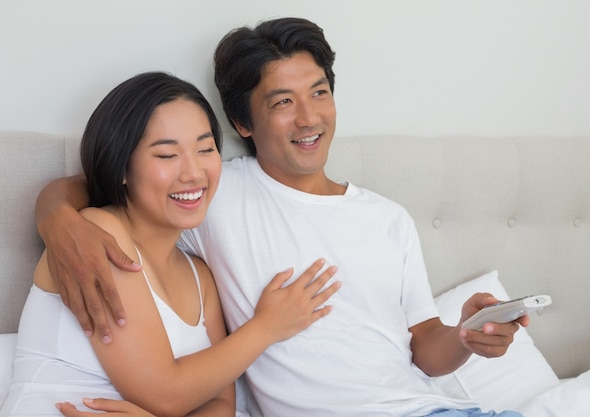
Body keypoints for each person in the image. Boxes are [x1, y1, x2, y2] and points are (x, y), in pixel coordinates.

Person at [34, 18, 527, 417]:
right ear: (243, 123)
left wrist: (464, 335)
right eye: (283, 102)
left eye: (319, 93)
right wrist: (59, 218)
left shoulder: (388, 219)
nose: (309, 118)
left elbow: (424, 349)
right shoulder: (213, 193)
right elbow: (107, 179)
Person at [0, 71, 339, 417]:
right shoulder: (97, 233)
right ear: (122, 167)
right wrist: (267, 326)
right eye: (166, 155)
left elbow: (222, 404)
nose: (193, 173)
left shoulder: (200, 276)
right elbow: (164, 394)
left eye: (205, 149)